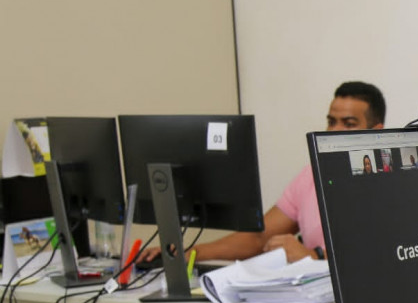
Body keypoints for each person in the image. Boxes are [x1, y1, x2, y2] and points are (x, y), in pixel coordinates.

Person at [139, 81, 385, 263]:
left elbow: (381, 255)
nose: (333, 131)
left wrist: (311, 257)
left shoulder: (388, 181)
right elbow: (257, 239)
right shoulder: (311, 176)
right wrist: (187, 254)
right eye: (331, 122)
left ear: (377, 130)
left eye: (349, 124)